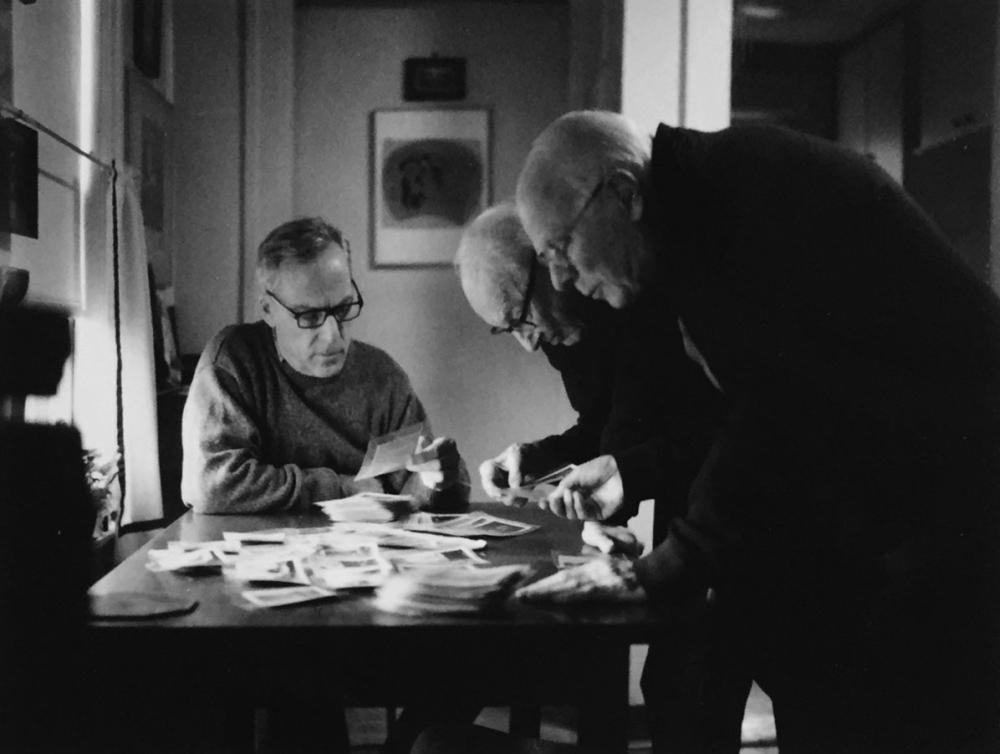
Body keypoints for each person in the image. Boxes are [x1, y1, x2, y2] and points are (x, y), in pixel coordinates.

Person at [515, 111, 1000, 754]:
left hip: (955, 526)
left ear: (625, 194)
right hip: (895, 537)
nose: (558, 280)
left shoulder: (748, 200)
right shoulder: (697, 217)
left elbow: (776, 410)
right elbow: (749, 410)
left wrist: (670, 563)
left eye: (559, 249)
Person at [457, 203, 745, 754]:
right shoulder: (563, 329)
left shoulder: (631, 297)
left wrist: (626, 480)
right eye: (507, 330)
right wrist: (536, 457)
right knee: (673, 681)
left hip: (737, 510)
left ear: (551, 262)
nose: (527, 342)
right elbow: (607, 427)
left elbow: (715, 429)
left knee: (694, 682)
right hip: (690, 510)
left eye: (521, 316)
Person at [181, 216, 469, 515]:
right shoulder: (233, 361)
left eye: (343, 308)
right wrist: (342, 489)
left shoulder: (382, 377)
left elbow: (412, 489)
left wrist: (434, 481)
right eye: (308, 316)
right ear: (268, 310)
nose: (333, 337)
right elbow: (211, 486)